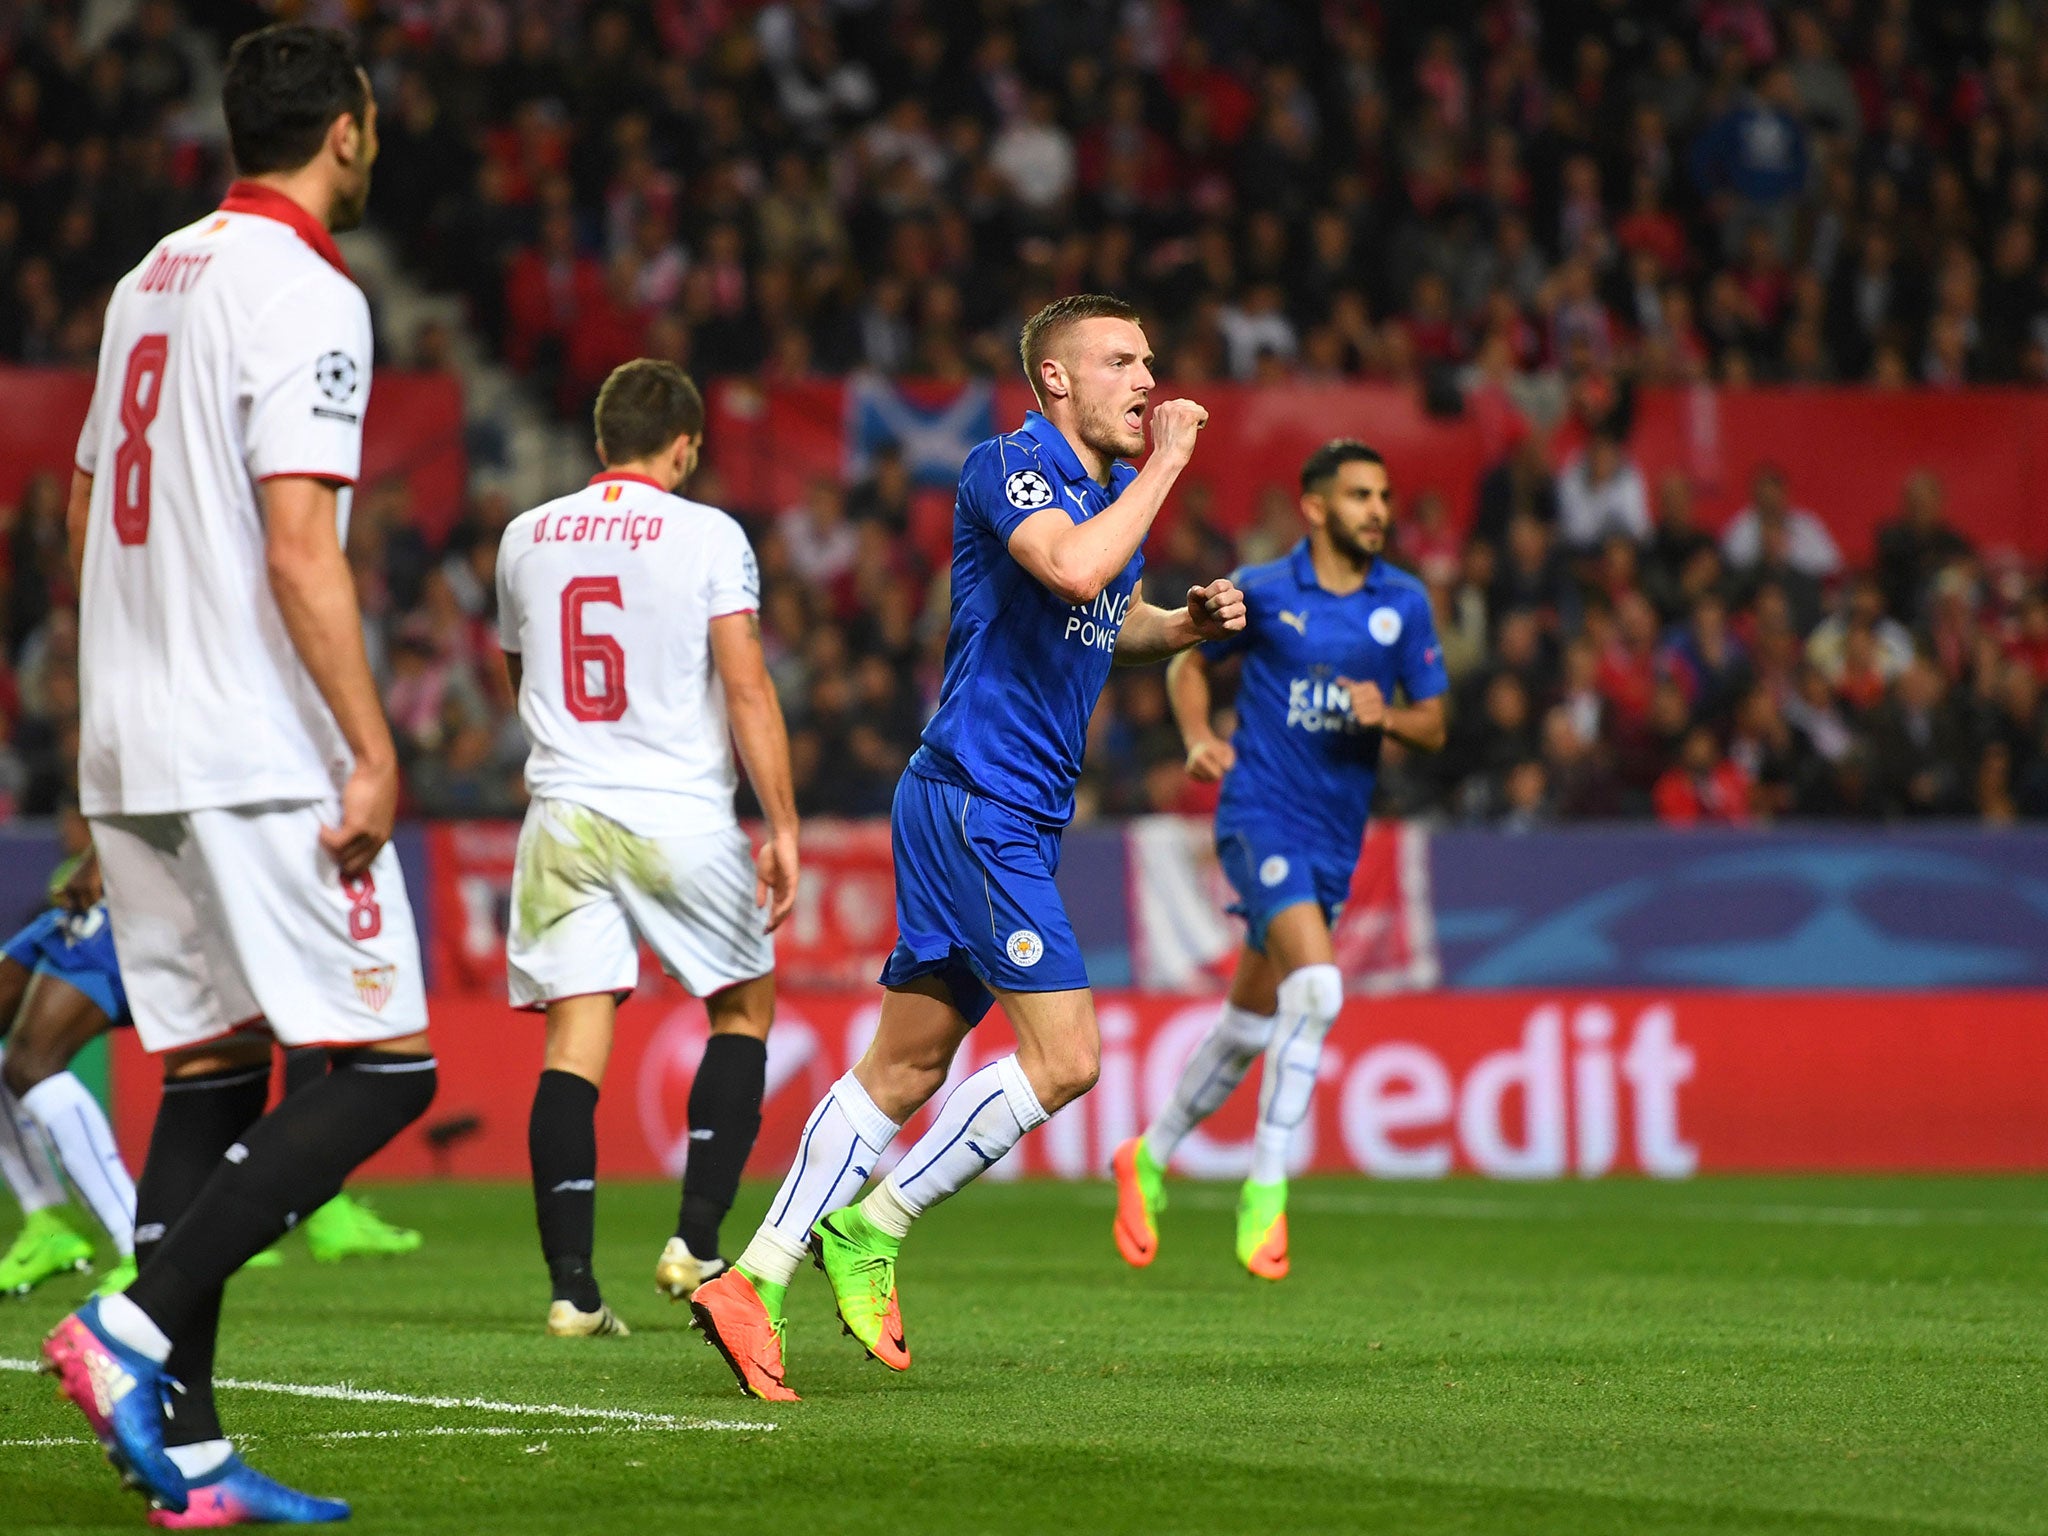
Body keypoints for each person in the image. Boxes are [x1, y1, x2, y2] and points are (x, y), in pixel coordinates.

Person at [691, 293, 1243, 1400]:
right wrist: (1169, 468)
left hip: (984, 805)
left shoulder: (1094, 497)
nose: (1147, 381)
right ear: (1054, 380)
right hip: (979, 803)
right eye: (1120, 361)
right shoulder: (1011, 468)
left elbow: (1104, 613)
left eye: (1151, 359)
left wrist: (1176, 629)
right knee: (1066, 1058)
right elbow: (1075, 572)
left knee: (903, 1065)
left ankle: (751, 1274)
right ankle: (874, 1225)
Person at [41, 27, 436, 1525]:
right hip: (247, 742)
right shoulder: (305, 289)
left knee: (211, 1069)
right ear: (348, 128)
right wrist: (373, 743)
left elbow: (84, 496)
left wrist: (97, 728)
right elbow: (295, 543)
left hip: (131, 734)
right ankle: (126, 1331)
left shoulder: (152, 276)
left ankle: (189, 1457)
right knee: (389, 1062)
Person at [498, 358, 799, 1338]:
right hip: (675, 809)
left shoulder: (523, 538)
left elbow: (522, 671)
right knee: (742, 1008)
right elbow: (746, 685)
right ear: (685, 447)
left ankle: (572, 1290)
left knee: (573, 1042)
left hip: (563, 812)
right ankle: (697, 1241)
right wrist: (783, 823)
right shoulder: (708, 533)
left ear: (597, 445)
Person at [1115, 441, 1448, 1279]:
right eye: (1360, 495)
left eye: (1384, 495)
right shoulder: (1261, 591)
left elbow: (1435, 724)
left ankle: (1146, 1157)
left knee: (1248, 1023)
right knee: (1321, 986)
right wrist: (1196, 738)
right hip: (1259, 816)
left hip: (1335, 837)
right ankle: (1266, 1185)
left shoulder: (1402, 604)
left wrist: (1389, 717)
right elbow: (1190, 665)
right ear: (1314, 506)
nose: (1378, 509)